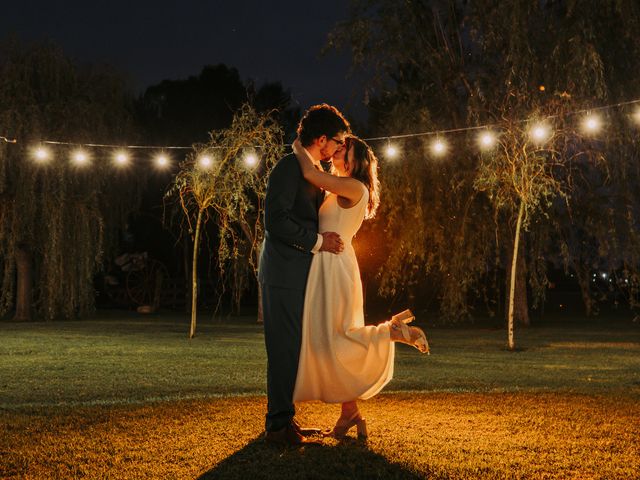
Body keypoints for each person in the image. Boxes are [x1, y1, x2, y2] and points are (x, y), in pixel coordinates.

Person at [291, 135, 429, 440]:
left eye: (343, 150)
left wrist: (298, 147)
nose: (337, 151)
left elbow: (311, 174)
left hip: (334, 265)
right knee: (327, 337)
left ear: (354, 162)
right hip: (328, 262)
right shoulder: (341, 183)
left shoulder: (354, 187)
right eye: (338, 147)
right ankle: (349, 413)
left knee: (335, 336)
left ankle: (389, 332)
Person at [258, 104, 351, 446]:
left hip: (299, 274)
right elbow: (275, 220)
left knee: (294, 347)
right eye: (337, 141)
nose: (339, 148)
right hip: (282, 272)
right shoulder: (287, 169)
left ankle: (286, 419)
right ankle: (276, 427)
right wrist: (317, 241)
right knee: (283, 348)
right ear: (322, 139)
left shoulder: (309, 168)